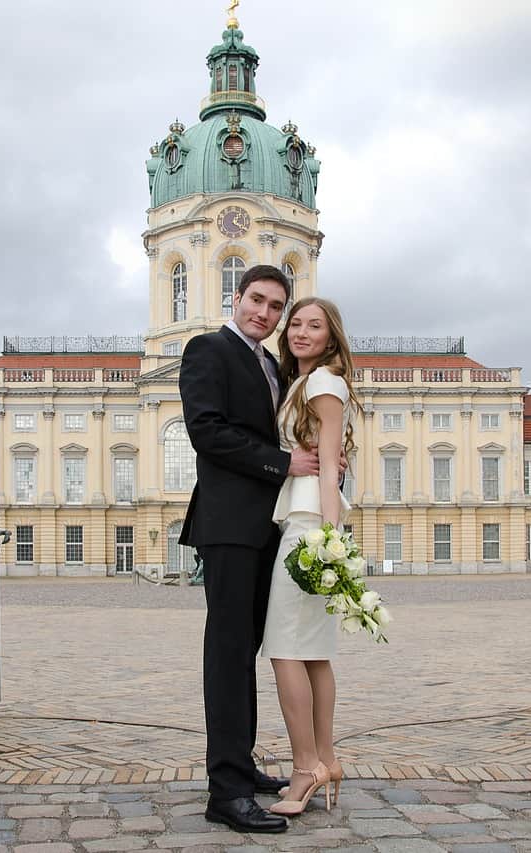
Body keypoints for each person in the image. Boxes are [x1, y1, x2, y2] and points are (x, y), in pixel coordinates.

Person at [178, 264, 320, 834]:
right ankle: (226, 791)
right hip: (231, 524)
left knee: (249, 650)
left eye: (274, 306)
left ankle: (243, 765)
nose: (263, 313)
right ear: (236, 298)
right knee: (229, 653)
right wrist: (283, 463)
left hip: (266, 526)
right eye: (256, 300)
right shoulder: (208, 349)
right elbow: (205, 430)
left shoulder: (269, 364)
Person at [259, 296, 360, 816]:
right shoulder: (305, 381)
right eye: (295, 323)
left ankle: (305, 769)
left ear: (330, 335)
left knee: (283, 649)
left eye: (313, 326)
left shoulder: (321, 383)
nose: (300, 332)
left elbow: (327, 470)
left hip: (306, 528)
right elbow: (326, 457)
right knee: (315, 652)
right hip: (309, 524)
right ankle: (327, 758)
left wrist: (328, 540)